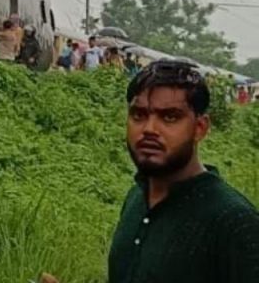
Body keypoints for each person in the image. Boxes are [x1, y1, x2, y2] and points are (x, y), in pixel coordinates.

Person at [105, 61, 259, 283]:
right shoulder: (137, 198)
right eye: (139, 115)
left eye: (169, 117)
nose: (149, 129)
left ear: (200, 128)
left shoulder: (233, 221)